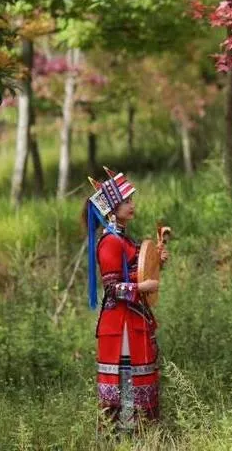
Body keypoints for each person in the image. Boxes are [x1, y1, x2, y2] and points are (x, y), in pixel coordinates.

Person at [85, 167, 167, 432]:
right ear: (111, 208)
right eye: (125, 201)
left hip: (133, 320)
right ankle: (123, 437)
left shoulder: (124, 238)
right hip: (120, 326)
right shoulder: (110, 241)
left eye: (131, 200)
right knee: (125, 381)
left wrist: (155, 264)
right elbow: (112, 289)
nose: (131, 205)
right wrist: (145, 284)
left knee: (135, 380)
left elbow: (136, 271)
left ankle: (140, 436)